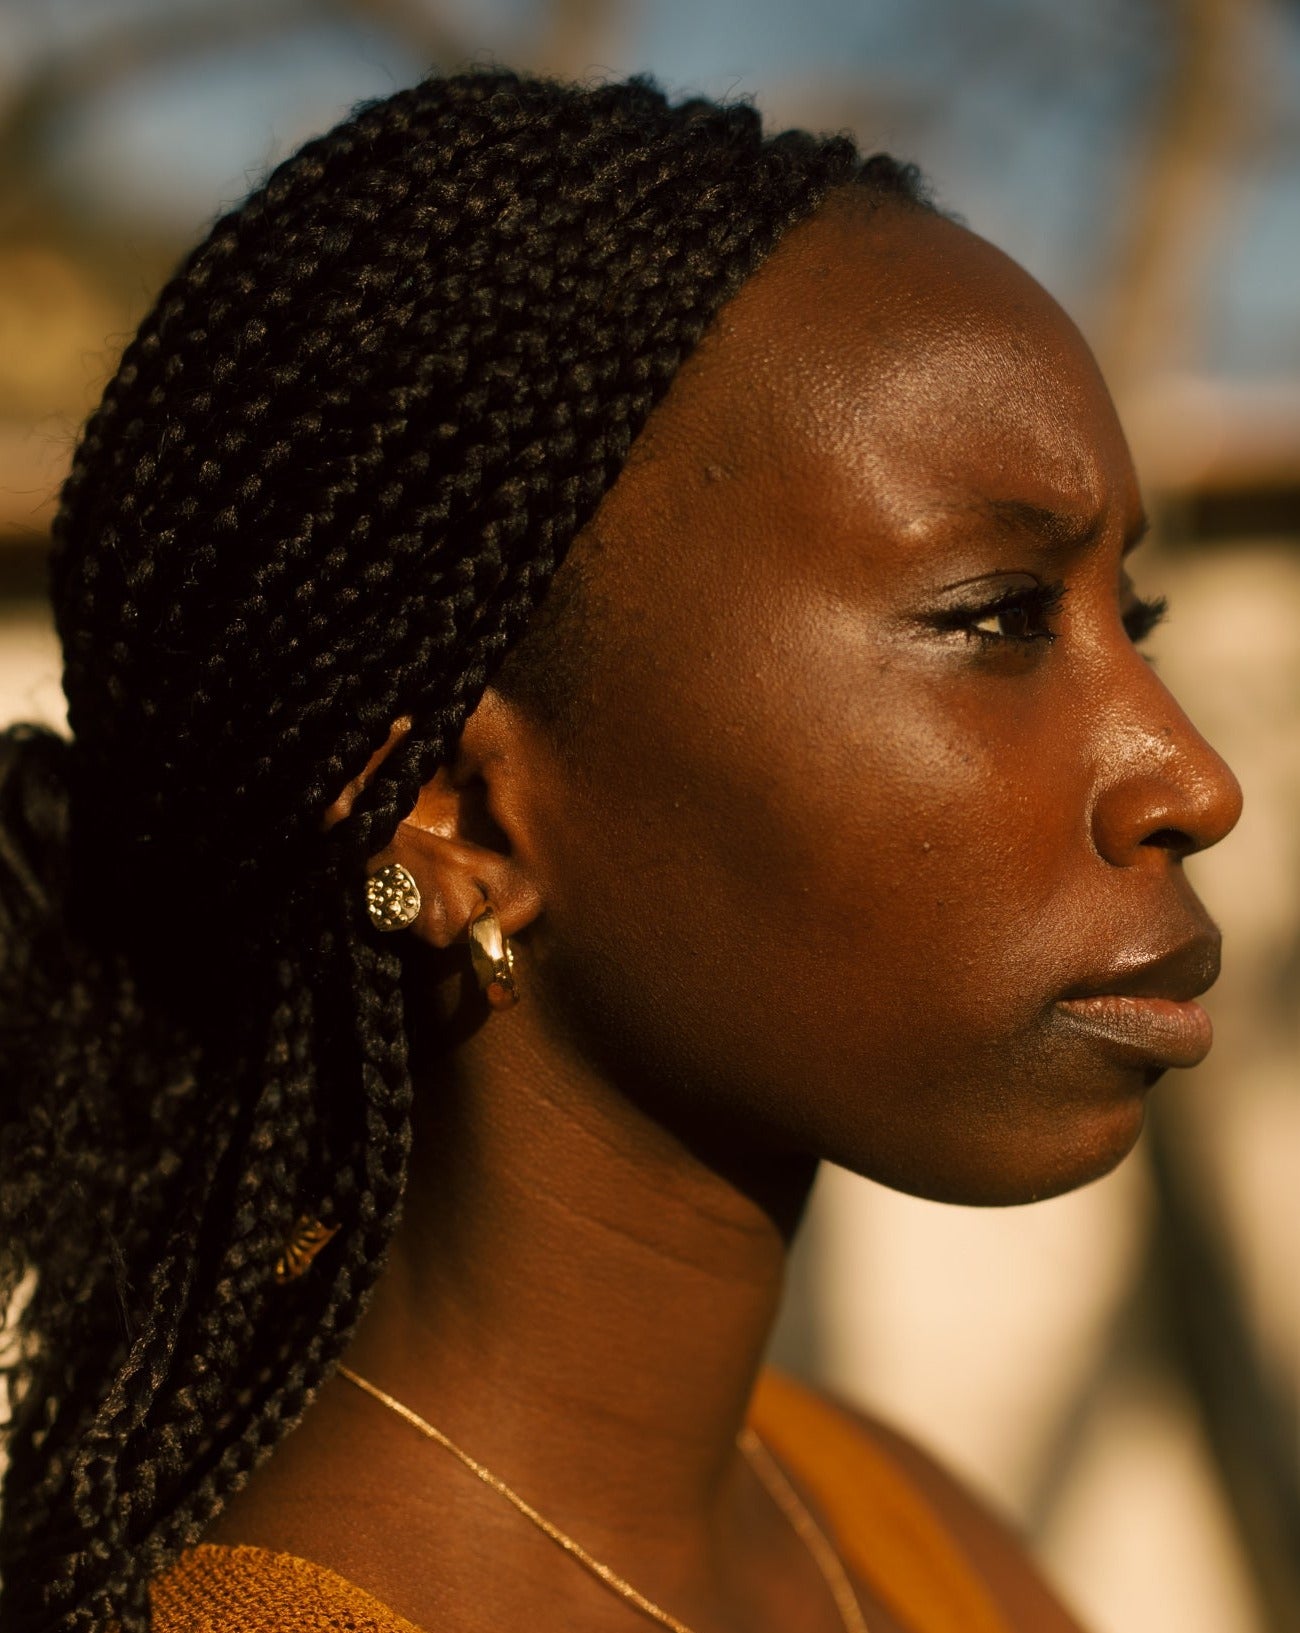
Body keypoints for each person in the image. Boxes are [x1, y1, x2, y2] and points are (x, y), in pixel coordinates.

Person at [0, 66, 1242, 1633]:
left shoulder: (893, 1521)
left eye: (1126, 623)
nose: (1191, 779)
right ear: (452, 815)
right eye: (996, 618)